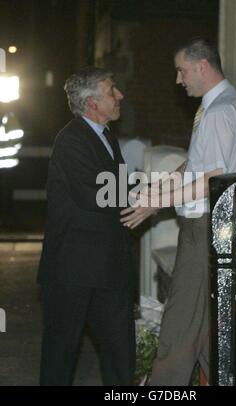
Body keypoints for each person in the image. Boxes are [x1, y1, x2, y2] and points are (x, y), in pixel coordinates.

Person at [121, 38, 236, 385]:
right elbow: (195, 167)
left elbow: (214, 177)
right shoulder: (218, 106)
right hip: (206, 223)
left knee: (180, 318)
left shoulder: (221, 110)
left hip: (205, 225)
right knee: (201, 318)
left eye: (182, 71)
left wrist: (158, 201)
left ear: (202, 66)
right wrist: (158, 190)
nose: (179, 80)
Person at [38, 67, 136, 386]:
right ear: (92, 103)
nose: (119, 95)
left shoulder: (106, 136)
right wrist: (147, 192)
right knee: (61, 355)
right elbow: (95, 195)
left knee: (120, 351)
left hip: (107, 267)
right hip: (73, 270)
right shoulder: (71, 141)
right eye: (111, 91)